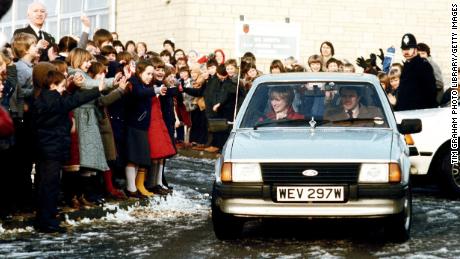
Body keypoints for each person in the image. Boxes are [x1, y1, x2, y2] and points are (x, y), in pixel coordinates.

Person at [31, 69, 106, 233]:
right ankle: (47, 222)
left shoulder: (43, 98)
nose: (63, 89)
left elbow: (67, 99)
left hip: (45, 149)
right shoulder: (53, 99)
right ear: (52, 85)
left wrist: (70, 84)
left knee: (44, 185)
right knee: (50, 186)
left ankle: (45, 219)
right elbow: (73, 101)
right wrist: (96, 90)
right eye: (62, 86)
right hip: (52, 149)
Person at [395, 33, 438, 111]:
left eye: (409, 49)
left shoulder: (423, 65)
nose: (406, 52)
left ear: (416, 49)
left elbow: (430, 92)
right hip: (406, 112)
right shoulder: (407, 65)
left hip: (418, 113)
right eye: (404, 49)